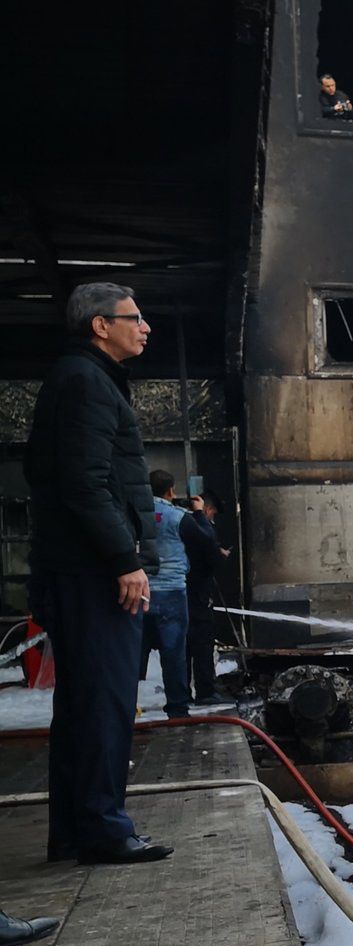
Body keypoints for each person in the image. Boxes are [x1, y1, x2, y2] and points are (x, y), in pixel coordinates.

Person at [27, 283, 174, 865]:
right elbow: (85, 485)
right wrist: (124, 561)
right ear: (100, 325)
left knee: (83, 704)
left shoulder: (83, 379)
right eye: (134, 318)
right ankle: (104, 831)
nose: (145, 327)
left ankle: (73, 830)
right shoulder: (86, 383)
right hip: (93, 574)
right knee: (105, 704)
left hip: (77, 570)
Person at [139, 470, 195, 719]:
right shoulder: (179, 517)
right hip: (172, 592)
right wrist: (200, 514)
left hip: (139, 591)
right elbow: (204, 542)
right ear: (171, 490)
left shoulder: (134, 514)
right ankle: (178, 708)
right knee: (173, 654)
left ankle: (125, 705)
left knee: (132, 654)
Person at [183, 492, 232, 706]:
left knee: (183, 646)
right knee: (202, 644)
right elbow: (211, 554)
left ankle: (182, 693)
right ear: (207, 509)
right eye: (211, 513)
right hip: (199, 593)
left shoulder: (179, 521)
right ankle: (205, 692)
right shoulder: (200, 526)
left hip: (181, 592)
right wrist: (220, 555)